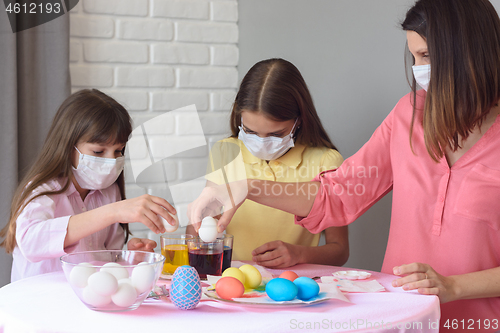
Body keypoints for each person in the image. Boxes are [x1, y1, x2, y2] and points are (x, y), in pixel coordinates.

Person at [188, 0, 500, 330]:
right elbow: (339, 194)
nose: (418, 70)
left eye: (427, 57)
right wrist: (245, 187)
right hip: (401, 318)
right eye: (414, 57)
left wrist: (454, 287)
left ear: (470, 51)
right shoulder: (409, 115)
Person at [187, 58, 349, 268]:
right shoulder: (225, 152)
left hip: (294, 286)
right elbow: (202, 229)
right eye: (250, 132)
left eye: (275, 134)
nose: (261, 143)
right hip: (236, 281)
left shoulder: (326, 161)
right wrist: (198, 225)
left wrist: (300, 254)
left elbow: (340, 250)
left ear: (298, 121)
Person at [0, 89, 176, 282]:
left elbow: (107, 260)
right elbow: (31, 242)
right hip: (41, 301)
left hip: (87, 299)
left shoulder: (109, 192)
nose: (112, 161)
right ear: (68, 146)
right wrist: (112, 212)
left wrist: (129, 257)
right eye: (99, 151)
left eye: (118, 151)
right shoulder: (43, 188)